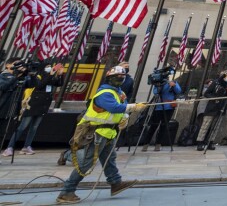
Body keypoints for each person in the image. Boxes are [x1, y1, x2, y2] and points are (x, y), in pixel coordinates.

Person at [56, 65, 139, 204]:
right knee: (86, 163)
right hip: (95, 132)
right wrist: (132, 107)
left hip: (108, 132)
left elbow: (120, 109)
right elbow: (113, 107)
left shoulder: (120, 93)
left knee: (109, 158)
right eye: (116, 77)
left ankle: (115, 183)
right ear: (109, 78)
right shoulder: (104, 93)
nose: (119, 79)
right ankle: (66, 192)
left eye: (122, 77)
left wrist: (124, 117)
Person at [3, 63, 62, 156]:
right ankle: (10, 147)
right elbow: (40, 85)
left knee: (34, 127)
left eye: (50, 66)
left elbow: (59, 83)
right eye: (47, 66)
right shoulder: (38, 75)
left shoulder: (50, 76)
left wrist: (59, 75)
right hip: (33, 104)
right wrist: (50, 74)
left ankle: (27, 146)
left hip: (43, 105)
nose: (49, 68)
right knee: (22, 126)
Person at [139, 73, 182, 151]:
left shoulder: (173, 82)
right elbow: (156, 92)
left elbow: (178, 91)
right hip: (158, 107)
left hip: (169, 107)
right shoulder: (157, 84)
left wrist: (173, 85)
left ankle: (158, 144)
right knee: (153, 126)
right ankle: (146, 143)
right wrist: (161, 86)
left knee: (164, 126)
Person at [197, 71, 227, 151]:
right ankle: (200, 142)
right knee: (205, 125)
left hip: (221, 107)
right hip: (212, 107)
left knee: (215, 126)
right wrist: (214, 98)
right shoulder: (215, 83)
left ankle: (210, 142)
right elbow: (206, 93)